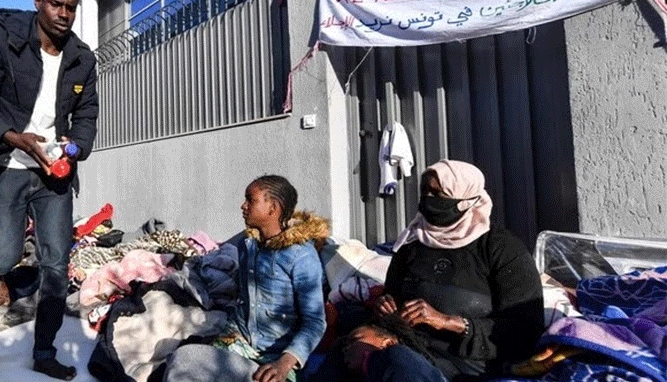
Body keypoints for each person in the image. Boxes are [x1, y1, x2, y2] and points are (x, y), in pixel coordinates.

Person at [0, 0, 98, 380]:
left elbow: (86, 113)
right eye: (57, 4)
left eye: (71, 7)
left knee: (56, 264)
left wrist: (75, 145)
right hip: (8, 163)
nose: (64, 14)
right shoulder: (4, 37)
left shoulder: (82, 57)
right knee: (6, 250)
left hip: (53, 174)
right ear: (39, 2)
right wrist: (13, 137)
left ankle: (44, 350)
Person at [342, 160, 544, 381]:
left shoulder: (501, 249)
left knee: (397, 361)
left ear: (465, 200)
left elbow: (525, 332)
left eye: (439, 194)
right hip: (412, 353)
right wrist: (386, 309)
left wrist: (447, 321)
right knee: (345, 349)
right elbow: (394, 298)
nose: (429, 199)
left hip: (467, 368)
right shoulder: (413, 244)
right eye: (425, 192)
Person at [163, 175, 328, 382]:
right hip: (237, 342)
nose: (243, 206)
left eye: (251, 200)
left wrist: (284, 364)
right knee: (182, 360)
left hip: (276, 357)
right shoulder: (248, 246)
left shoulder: (302, 257)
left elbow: (315, 322)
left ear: (272, 208)